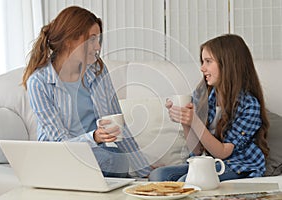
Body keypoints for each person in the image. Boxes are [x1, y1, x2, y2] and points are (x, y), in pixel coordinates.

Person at [22, 6, 151, 178]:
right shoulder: (39, 82)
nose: (98, 46)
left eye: (98, 39)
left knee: (117, 160)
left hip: (97, 157)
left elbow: (118, 125)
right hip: (61, 157)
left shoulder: (97, 71)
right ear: (70, 40)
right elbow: (59, 143)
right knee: (115, 162)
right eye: (91, 40)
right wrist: (95, 137)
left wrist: (145, 172)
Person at [149, 34, 269, 182]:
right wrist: (184, 120)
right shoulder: (203, 95)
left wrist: (194, 121)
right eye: (202, 61)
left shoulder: (249, 106)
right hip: (206, 163)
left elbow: (223, 152)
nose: (202, 68)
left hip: (236, 165)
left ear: (228, 64)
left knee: (187, 182)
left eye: (208, 61)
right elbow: (197, 150)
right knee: (159, 175)